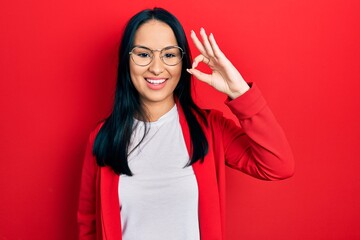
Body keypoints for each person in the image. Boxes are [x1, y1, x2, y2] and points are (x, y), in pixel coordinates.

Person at [77, 7, 294, 240]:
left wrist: (239, 90)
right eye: (143, 54)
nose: (157, 67)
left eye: (169, 55)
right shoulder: (102, 137)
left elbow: (278, 165)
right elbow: (88, 225)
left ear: (183, 62)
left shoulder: (210, 129)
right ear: (126, 61)